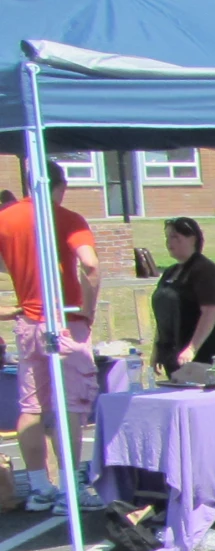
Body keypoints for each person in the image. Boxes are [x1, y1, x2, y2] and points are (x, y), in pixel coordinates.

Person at [0, 163, 101, 511]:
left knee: (32, 407)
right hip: (64, 320)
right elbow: (90, 264)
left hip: (28, 321)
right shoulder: (68, 218)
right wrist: (88, 309)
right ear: (60, 186)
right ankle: (70, 487)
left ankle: (41, 486)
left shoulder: (6, 218)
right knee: (69, 406)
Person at [151, 217, 215, 376]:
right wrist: (157, 351)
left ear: (193, 239)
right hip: (174, 353)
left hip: (204, 354)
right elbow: (163, 316)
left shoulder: (206, 271)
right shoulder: (170, 272)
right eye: (167, 237)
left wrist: (191, 349)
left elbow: (211, 312)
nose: (169, 242)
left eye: (175, 237)